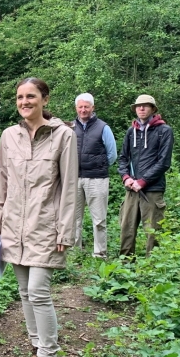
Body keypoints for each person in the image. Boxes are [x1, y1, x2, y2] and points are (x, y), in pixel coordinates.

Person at [0, 78, 77, 357]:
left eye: (31, 96)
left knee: (39, 291)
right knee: (25, 293)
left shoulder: (63, 136)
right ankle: (38, 351)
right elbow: (1, 182)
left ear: (44, 98)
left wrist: (65, 229)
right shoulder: (8, 136)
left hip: (46, 225)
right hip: (14, 226)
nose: (24, 101)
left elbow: (69, 186)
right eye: (20, 97)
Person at [117, 94, 173, 258]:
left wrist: (143, 181)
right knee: (126, 229)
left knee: (153, 232)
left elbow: (164, 162)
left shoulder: (164, 131)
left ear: (153, 109)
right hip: (131, 189)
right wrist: (126, 177)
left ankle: (153, 270)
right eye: (138, 106)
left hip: (153, 189)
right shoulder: (131, 132)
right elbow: (123, 159)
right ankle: (125, 266)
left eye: (145, 106)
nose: (141, 108)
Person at [73, 93, 117, 259]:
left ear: (93, 108)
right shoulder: (71, 127)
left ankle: (100, 253)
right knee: (74, 219)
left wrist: (99, 166)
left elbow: (112, 154)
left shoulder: (103, 127)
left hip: (97, 179)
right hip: (75, 178)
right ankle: (75, 252)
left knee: (99, 219)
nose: (83, 110)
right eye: (80, 107)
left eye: (86, 107)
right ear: (76, 108)